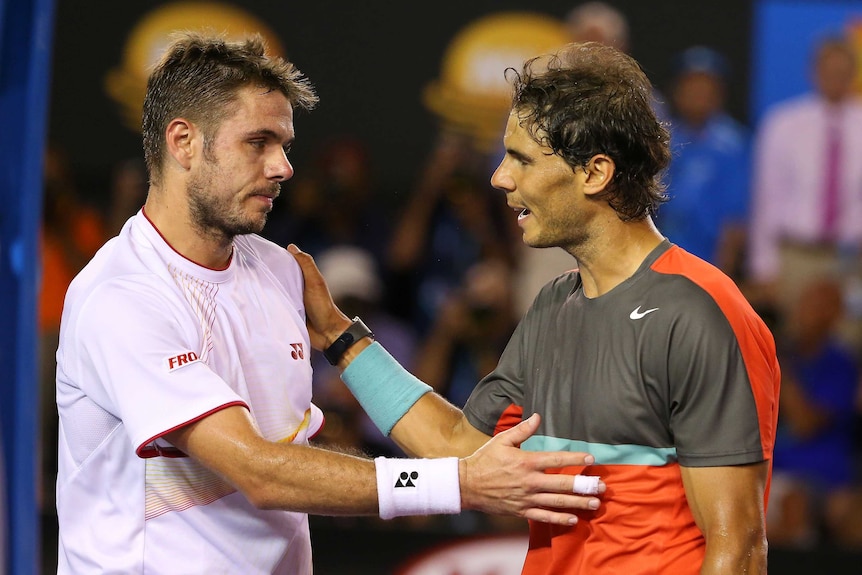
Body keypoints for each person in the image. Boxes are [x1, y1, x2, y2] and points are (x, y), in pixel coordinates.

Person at [53, 32, 606, 574]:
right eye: (258, 142)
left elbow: (298, 454)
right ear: (183, 143)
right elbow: (262, 473)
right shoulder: (121, 297)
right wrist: (458, 482)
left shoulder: (276, 270)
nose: (283, 166)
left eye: (285, 145)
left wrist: (340, 334)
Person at [291, 41, 781, 574]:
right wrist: (338, 334)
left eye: (521, 158)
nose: (500, 177)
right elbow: (456, 444)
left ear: (594, 173)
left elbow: (738, 551)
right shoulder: (554, 303)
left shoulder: (702, 314)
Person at [747, 36, 862, 345]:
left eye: (843, 70)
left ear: (853, 73)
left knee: (848, 344)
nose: (836, 77)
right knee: (796, 344)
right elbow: (766, 198)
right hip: (797, 256)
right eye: (829, 69)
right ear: (814, 72)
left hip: (851, 262)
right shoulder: (783, 124)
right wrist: (764, 265)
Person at [657, 46, 751, 281]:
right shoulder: (662, 138)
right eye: (690, 86)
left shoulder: (733, 143)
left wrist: (722, 274)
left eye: (705, 86)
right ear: (677, 92)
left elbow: (735, 218)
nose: (697, 93)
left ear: (718, 93)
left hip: (708, 260)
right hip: (659, 254)